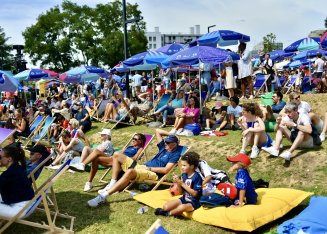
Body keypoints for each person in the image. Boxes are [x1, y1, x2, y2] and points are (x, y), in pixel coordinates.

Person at [87, 130, 184, 207]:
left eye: (168, 142)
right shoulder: (164, 147)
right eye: (165, 141)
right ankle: (112, 183)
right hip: (142, 167)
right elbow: (157, 131)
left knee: (130, 171)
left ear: (174, 144)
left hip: (153, 173)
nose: (165, 143)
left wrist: (149, 169)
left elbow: (166, 170)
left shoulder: (175, 155)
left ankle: (103, 196)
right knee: (117, 154)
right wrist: (173, 135)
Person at [154, 152, 202, 216]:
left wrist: (182, 184)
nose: (182, 167)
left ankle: (168, 214)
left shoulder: (197, 177)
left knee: (181, 207)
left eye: (184, 165)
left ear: (192, 166)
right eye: (182, 165)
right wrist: (178, 183)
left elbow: (195, 194)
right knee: (166, 207)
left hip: (194, 202)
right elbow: (180, 192)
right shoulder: (184, 175)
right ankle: (167, 211)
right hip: (184, 199)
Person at [0, 143, 35, 218]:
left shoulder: (10, 173)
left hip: (19, 209)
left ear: (9, 159)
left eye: (0, 157)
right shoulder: (17, 168)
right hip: (27, 204)